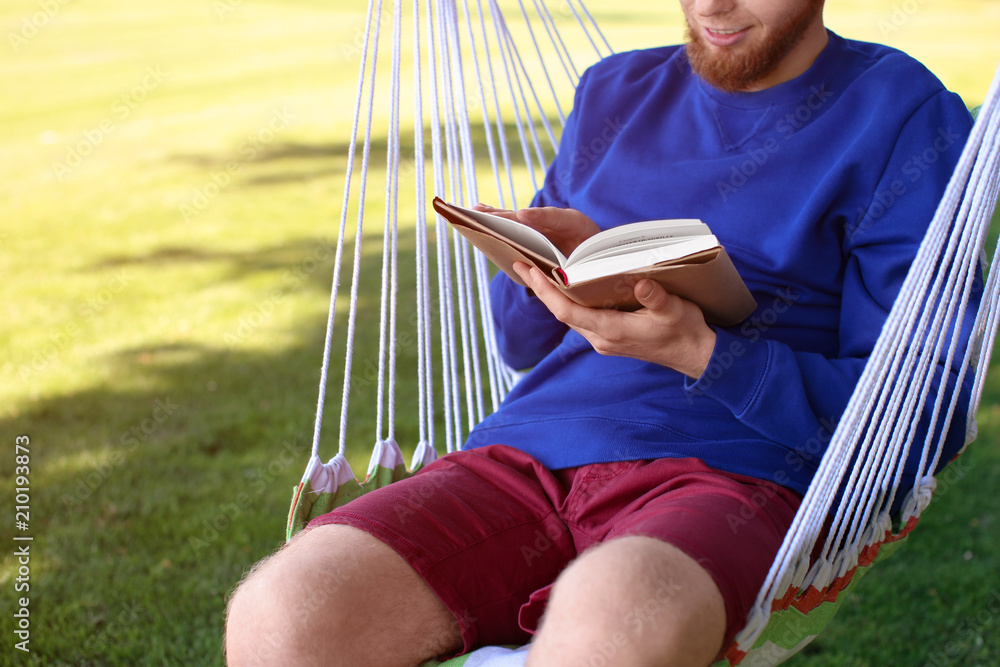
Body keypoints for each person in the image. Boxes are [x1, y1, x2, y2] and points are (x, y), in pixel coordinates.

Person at [225, 1, 977, 665]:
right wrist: (540, 264)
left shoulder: (899, 113)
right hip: (524, 455)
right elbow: (520, 346)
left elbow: (919, 411)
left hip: (729, 471)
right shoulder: (613, 92)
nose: (712, 4)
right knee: (282, 615)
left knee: (615, 617)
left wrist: (702, 351)